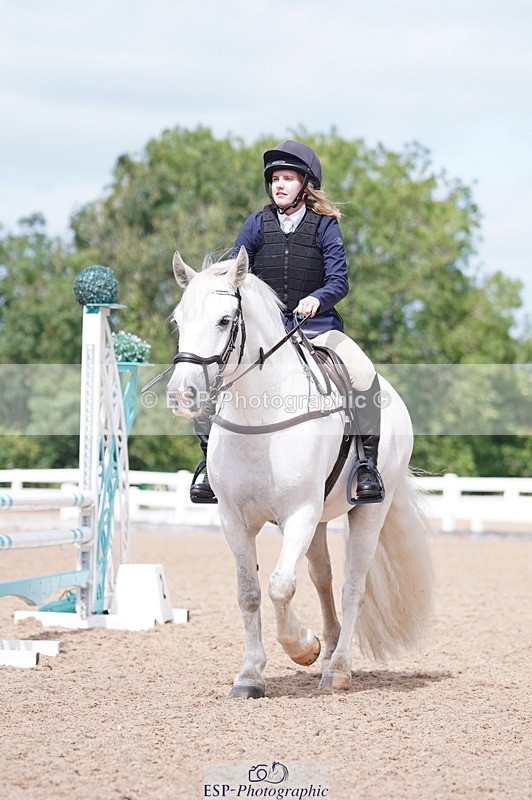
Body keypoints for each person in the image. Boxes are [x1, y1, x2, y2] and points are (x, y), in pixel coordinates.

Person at [190, 140, 384, 504]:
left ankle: (367, 466)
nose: (279, 184)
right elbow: (235, 273)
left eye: (288, 178)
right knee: (211, 374)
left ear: (305, 184)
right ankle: (206, 465)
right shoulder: (257, 224)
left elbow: (339, 280)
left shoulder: (324, 225)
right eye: (275, 178)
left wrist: (317, 298)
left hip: (317, 328)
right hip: (266, 333)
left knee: (362, 372)